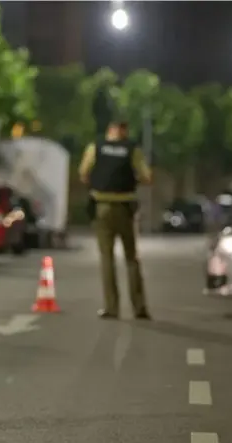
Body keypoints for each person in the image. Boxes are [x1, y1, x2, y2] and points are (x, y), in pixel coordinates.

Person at [79, 121, 152, 320]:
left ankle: (111, 308)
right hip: (124, 209)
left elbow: (83, 173)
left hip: (102, 207)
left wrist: (96, 184)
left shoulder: (96, 146)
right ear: (124, 132)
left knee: (106, 258)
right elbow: (147, 177)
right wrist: (132, 180)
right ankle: (139, 307)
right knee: (131, 258)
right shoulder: (132, 149)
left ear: (109, 131)